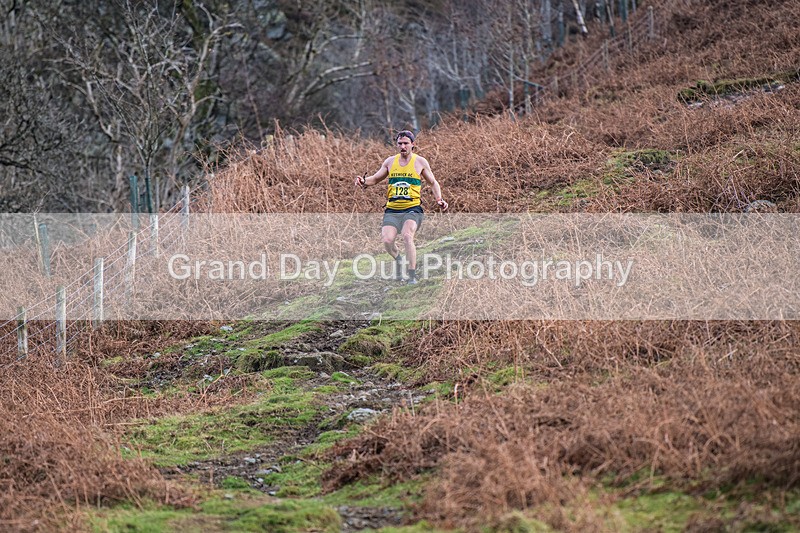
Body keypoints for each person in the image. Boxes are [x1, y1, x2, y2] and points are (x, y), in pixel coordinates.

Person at [355, 130, 448, 284]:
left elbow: (433, 182)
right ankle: (399, 259)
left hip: (412, 208)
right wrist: (363, 181)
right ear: (396, 145)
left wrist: (439, 199)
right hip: (392, 209)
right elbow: (376, 178)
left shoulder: (420, 162)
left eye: (406, 143)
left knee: (407, 235)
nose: (403, 146)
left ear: (413, 144)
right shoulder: (390, 162)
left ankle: (411, 274)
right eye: (400, 143)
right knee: (387, 240)